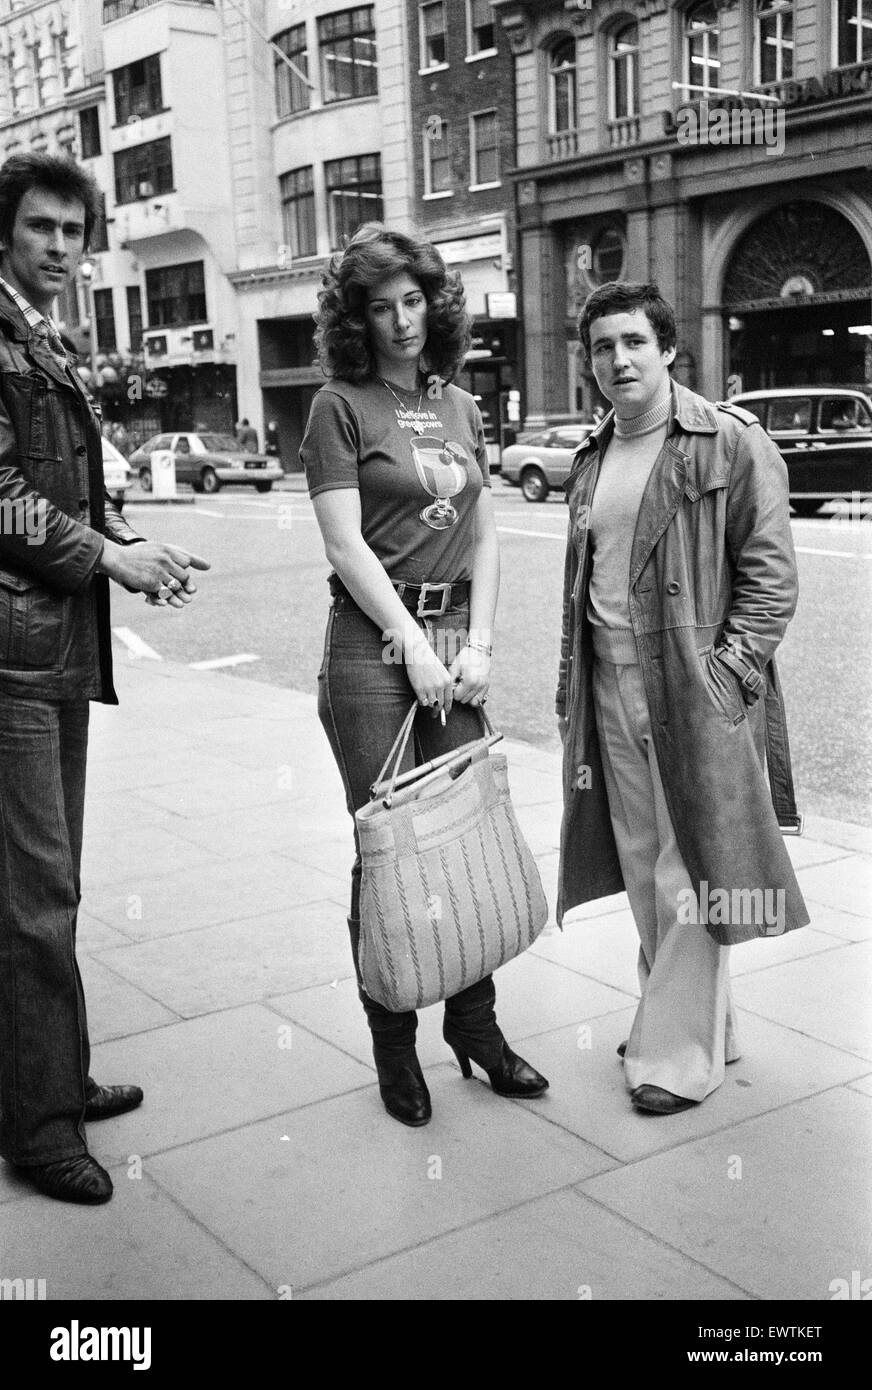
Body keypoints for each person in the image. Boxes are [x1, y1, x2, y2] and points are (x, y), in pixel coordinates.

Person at [300, 223, 548, 1127]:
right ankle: (394, 1041)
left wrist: (477, 644)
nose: (402, 321)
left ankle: (475, 1028)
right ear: (355, 318)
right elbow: (342, 541)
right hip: (374, 643)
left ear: (434, 305)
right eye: (381, 305)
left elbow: (483, 529)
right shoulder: (339, 404)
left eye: (414, 300)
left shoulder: (458, 405)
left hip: (452, 632)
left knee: (466, 830)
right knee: (392, 846)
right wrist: (412, 641)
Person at [0, 152, 210, 1204]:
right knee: (34, 897)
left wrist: (129, 535)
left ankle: (55, 1077)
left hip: (51, 643)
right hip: (10, 658)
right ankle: (38, 1130)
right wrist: (107, 557)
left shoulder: (45, 339)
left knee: (55, 884)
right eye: (41, 228)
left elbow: (60, 480)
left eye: (73, 233)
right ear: (7, 230)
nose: (58, 248)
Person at [556, 281, 808, 1115]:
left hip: (692, 691)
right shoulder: (593, 457)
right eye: (601, 347)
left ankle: (673, 1056)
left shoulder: (728, 441)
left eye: (633, 341)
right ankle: (700, 1025)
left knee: (693, 869)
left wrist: (726, 676)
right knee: (639, 863)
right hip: (609, 687)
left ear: (667, 349)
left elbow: (770, 580)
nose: (618, 359)